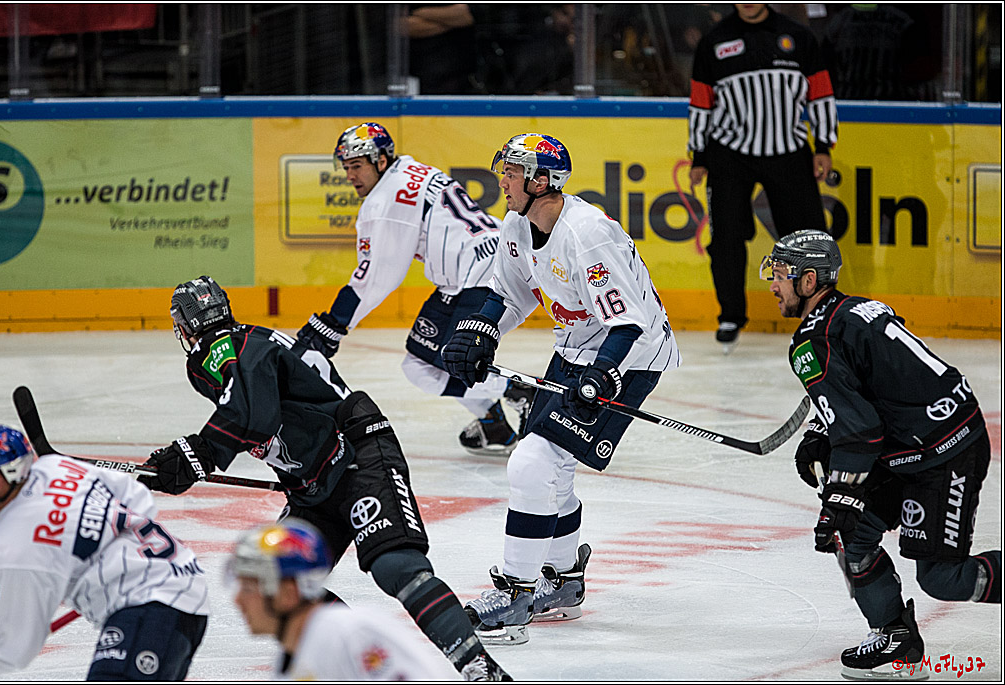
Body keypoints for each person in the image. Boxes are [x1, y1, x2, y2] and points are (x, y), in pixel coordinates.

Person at [140, 275, 510, 681]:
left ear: (188, 324)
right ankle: (365, 666)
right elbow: (263, 416)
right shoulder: (237, 349)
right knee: (276, 584)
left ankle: (481, 670)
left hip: (359, 457)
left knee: (396, 566)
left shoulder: (234, 348)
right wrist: (192, 459)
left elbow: (252, 418)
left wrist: (196, 455)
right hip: (313, 484)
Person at [440, 133, 681, 645]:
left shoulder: (586, 232)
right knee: (554, 467)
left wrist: (604, 373)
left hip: (629, 357)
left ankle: (517, 592)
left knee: (531, 463)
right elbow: (509, 292)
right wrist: (481, 330)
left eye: (511, 172)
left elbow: (629, 321)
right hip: (576, 349)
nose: (501, 180)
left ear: (541, 180)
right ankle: (565, 580)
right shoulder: (518, 225)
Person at [760, 230, 1001, 679]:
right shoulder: (855, 308)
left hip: (946, 450)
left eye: (780, 275)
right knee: (854, 534)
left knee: (941, 578)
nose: (773, 285)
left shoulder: (814, 342)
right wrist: (820, 431)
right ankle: (898, 639)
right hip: (912, 443)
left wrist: (838, 497)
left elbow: (859, 432)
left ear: (809, 281)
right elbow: (871, 388)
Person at [296, 122, 534, 457]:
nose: (350, 175)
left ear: (380, 161)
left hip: (483, 274)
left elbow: (376, 276)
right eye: (346, 167)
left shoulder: (385, 202)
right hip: (473, 269)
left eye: (356, 166)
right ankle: (493, 422)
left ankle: (519, 392)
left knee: (452, 359)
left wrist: (334, 325)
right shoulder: (409, 168)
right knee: (420, 365)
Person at [0, 424, 209, 680]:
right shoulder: (55, 468)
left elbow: (11, 647)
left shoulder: (12, 546)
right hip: (183, 581)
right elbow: (138, 499)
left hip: (152, 606)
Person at [687, 3, 838, 351]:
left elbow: (821, 93)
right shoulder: (714, 41)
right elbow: (701, 102)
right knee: (725, 235)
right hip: (729, 153)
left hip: (788, 150)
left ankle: (817, 312)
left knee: (809, 238)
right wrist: (699, 154)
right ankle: (730, 314)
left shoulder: (798, 37)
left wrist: (823, 145)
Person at [229, 517, 462, 680]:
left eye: (250, 588)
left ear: (289, 593)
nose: (237, 600)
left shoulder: (349, 631)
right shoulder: (287, 666)